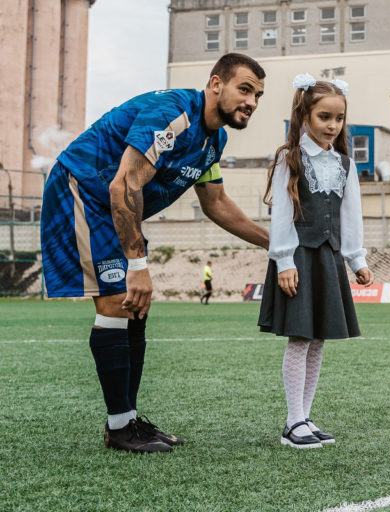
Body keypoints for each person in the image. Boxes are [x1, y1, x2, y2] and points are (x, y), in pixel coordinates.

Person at [40, 53, 270, 453]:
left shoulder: (214, 139)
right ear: (216, 84)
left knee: (136, 307)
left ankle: (127, 423)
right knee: (116, 303)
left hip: (115, 205)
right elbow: (122, 184)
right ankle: (120, 429)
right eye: (244, 89)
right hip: (82, 190)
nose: (251, 101)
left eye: (258, 96)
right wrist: (138, 264)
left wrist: (275, 243)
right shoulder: (174, 112)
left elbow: (215, 204)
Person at [258, 74, 373, 449]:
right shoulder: (288, 158)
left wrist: (356, 259)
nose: (332, 126)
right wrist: (284, 261)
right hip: (298, 258)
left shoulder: (344, 162)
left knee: (319, 338)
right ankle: (292, 423)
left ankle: (305, 417)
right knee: (300, 338)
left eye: (338, 119)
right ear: (304, 115)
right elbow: (280, 216)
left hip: (328, 258)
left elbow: (351, 214)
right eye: (325, 117)